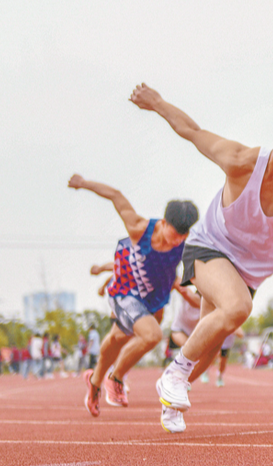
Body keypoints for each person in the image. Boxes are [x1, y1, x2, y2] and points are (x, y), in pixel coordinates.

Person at [131, 83, 273, 433]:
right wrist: (158, 104)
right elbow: (192, 132)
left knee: (209, 345)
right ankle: (173, 375)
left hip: (249, 271)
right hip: (210, 246)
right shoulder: (241, 162)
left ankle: (171, 398)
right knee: (238, 307)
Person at [68, 174, 197, 418]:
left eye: (183, 235)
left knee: (118, 338)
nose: (178, 240)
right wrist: (84, 184)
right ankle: (114, 378)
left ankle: (94, 382)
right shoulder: (140, 228)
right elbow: (116, 196)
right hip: (125, 293)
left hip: (153, 299)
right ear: (164, 223)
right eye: (175, 234)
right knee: (151, 335)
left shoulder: (185, 241)